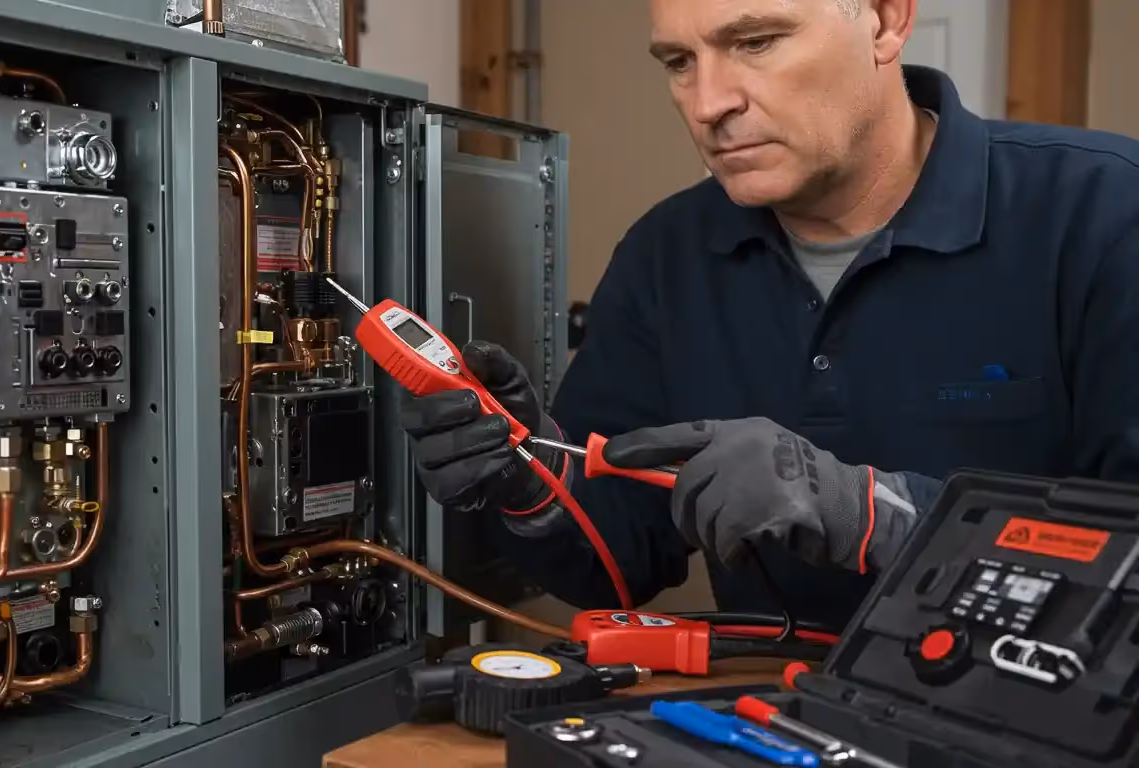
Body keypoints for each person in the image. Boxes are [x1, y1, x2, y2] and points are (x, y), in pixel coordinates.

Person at [400, 0, 1139, 630]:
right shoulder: (668, 255)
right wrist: (530, 477)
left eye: (754, 42)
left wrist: (874, 515)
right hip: (774, 721)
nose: (707, 102)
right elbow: (617, 566)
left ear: (885, 19)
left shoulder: (1105, 215)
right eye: (678, 61)